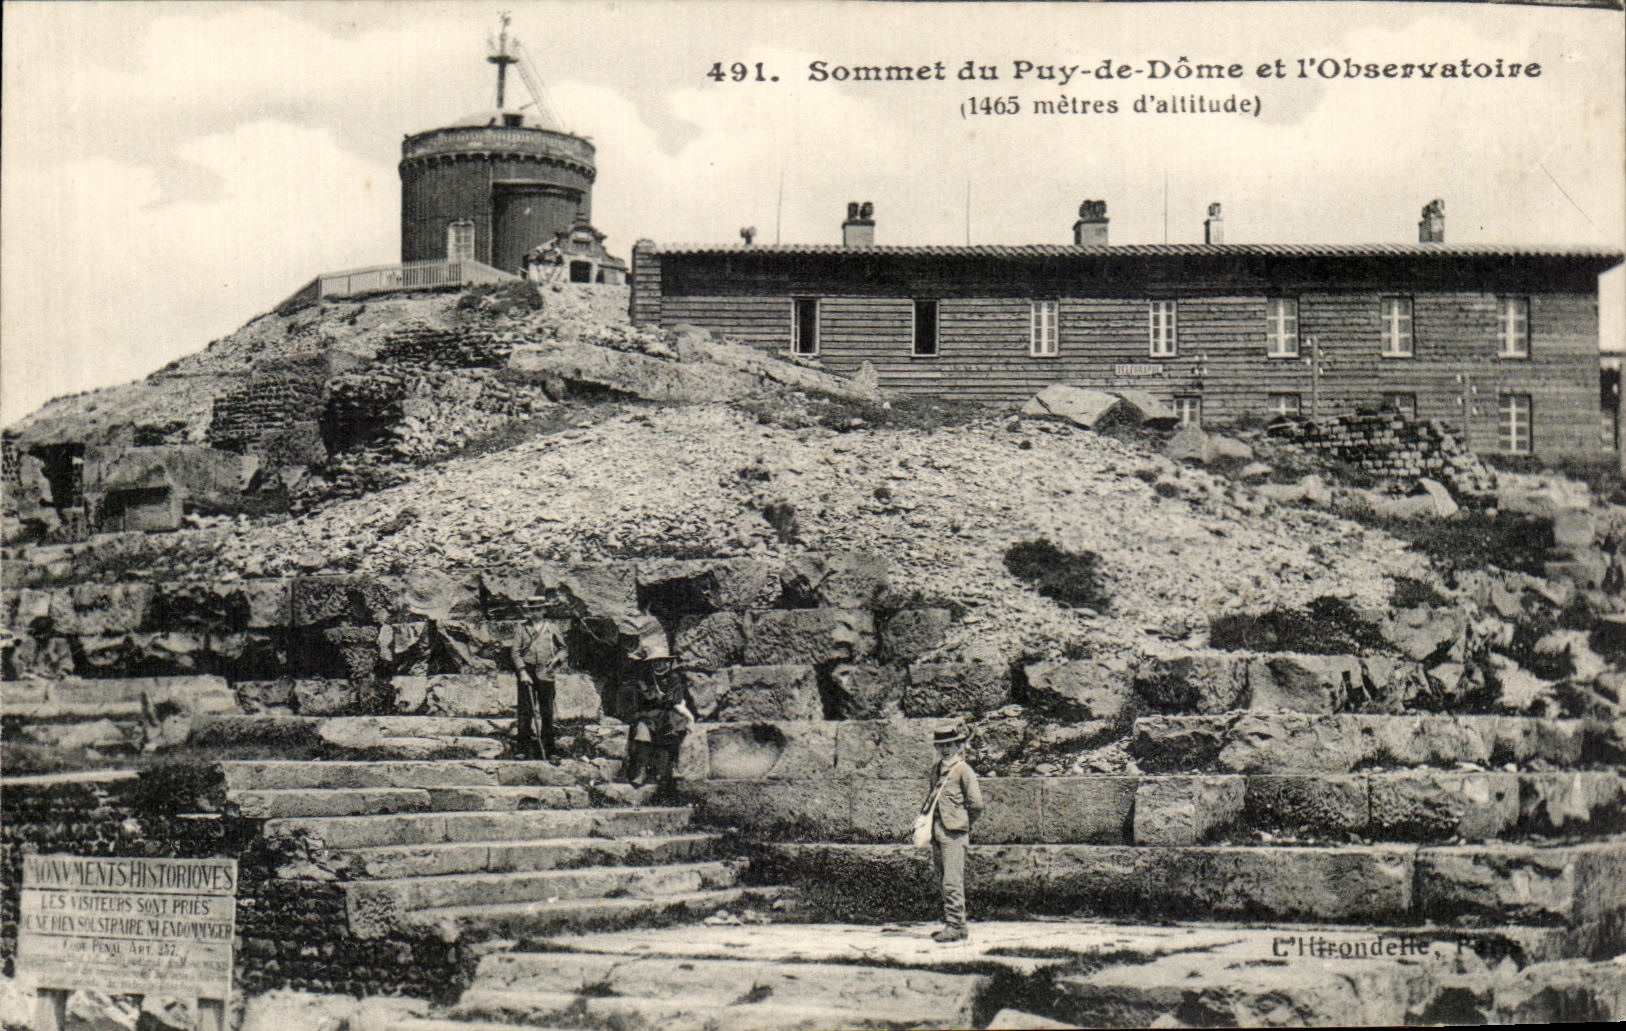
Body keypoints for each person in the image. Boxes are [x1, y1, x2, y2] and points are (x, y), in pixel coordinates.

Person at [921, 723, 983, 943]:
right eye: (941, 745)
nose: (946, 749)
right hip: (937, 830)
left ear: (958, 745)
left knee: (952, 881)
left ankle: (956, 926)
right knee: (942, 878)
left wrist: (962, 823)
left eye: (950, 744)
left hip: (954, 832)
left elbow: (976, 804)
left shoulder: (964, 770)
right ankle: (954, 924)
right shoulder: (935, 770)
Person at [622, 625, 694, 794]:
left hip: (668, 715)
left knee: (673, 731)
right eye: (656, 662)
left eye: (662, 661)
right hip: (649, 715)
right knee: (642, 734)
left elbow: (675, 698)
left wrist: (661, 698)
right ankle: (640, 771)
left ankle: (674, 766)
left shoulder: (674, 678)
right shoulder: (645, 679)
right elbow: (645, 697)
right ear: (651, 664)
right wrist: (657, 698)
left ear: (668, 662)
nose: (659, 665)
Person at [509, 603, 568, 760]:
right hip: (527, 672)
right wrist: (522, 671)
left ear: (544, 610)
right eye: (532, 609)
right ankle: (522, 750)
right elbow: (515, 652)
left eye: (538, 609)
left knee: (547, 711)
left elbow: (563, 648)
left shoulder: (552, 627)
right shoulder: (521, 628)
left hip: (546, 672)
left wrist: (557, 659)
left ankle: (550, 750)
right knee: (525, 711)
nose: (535, 612)